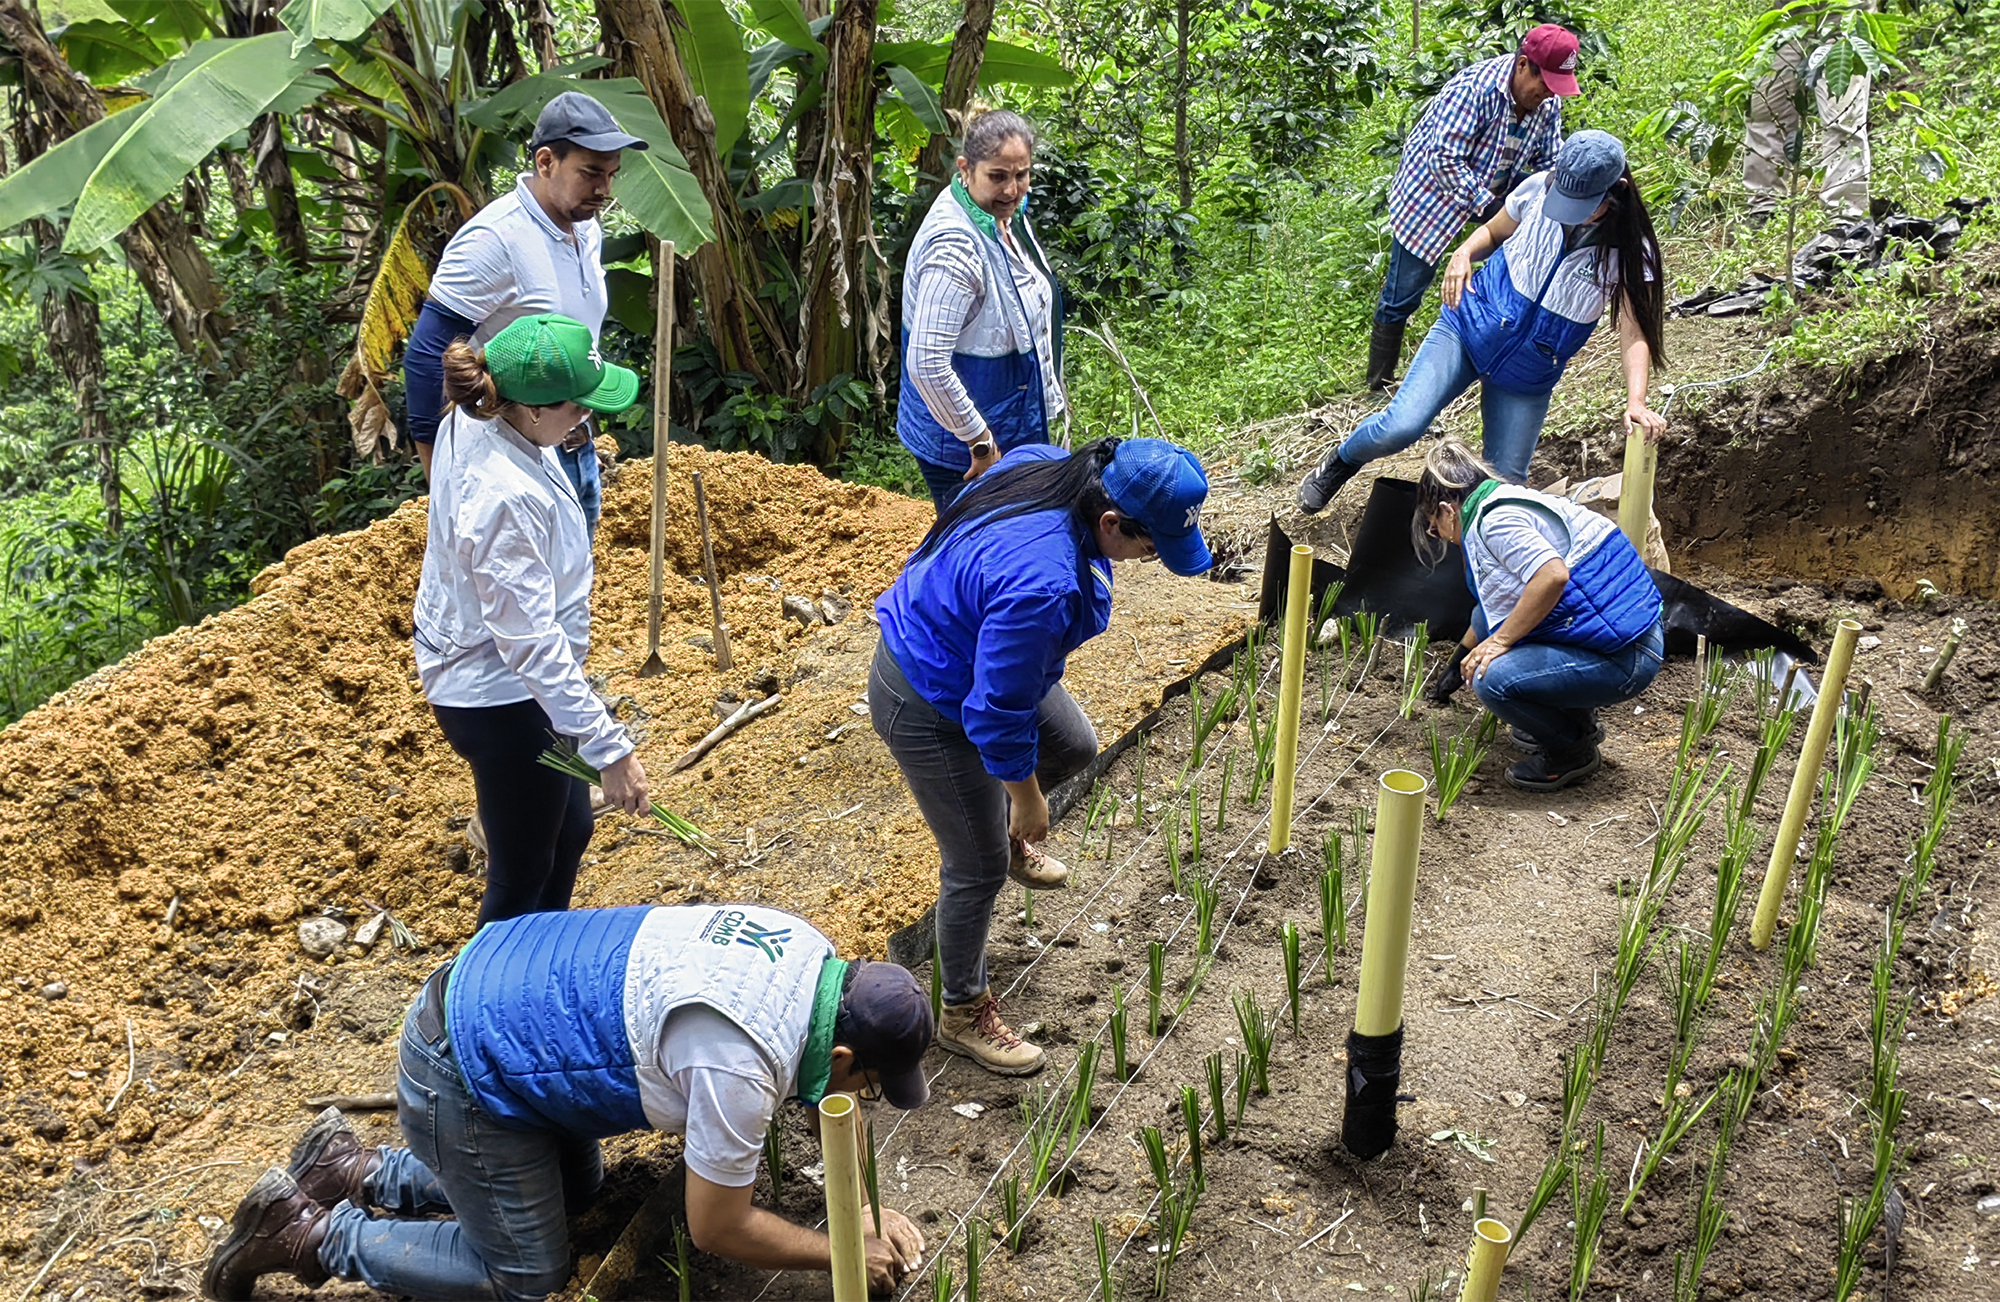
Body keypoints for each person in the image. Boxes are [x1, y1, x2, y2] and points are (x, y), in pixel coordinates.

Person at [201, 903, 934, 1301]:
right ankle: (306, 1234)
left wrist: (864, 1208)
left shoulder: (808, 954)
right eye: (868, 1084)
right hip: (463, 1063)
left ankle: (353, 1166)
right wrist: (839, 1251)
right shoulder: (738, 1063)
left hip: (511, 998)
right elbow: (717, 1226)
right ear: (843, 1056)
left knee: (578, 1191)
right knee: (524, 1272)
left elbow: (831, 1099)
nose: (861, 1100)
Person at [871, 438, 1211, 1074]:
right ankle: (962, 1011)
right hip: (927, 691)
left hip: (974, 654)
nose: (1146, 560)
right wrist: (1026, 798)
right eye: (1148, 547)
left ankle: (1005, 836)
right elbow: (995, 712)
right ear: (1110, 521)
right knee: (976, 866)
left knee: (1074, 745)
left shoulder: (1057, 468)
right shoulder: (1043, 585)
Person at [412, 313, 649, 925]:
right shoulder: (502, 498)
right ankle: (482, 1007)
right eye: (578, 409)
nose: (587, 422)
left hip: (512, 683)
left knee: (567, 832)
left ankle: (537, 968)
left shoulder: (484, 414)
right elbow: (531, 642)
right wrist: (610, 748)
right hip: (500, 699)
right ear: (534, 410)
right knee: (521, 876)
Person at [1298, 130, 1668, 515]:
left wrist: (1636, 401)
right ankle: (1340, 462)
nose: (1569, 210)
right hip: (1467, 327)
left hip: (1529, 373)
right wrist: (1463, 252)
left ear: (1618, 191)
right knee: (1401, 426)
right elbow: (1493, 231)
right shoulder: (1538, 189)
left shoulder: (1630, 252)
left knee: (1505, 488)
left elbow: (1634, 330)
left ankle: (1464, 555)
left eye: (1584, 205)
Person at [403, 91, 646, 530]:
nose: (604, 190)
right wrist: (440, 478)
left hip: (572, 442)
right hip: (507, 460)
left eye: (612, 175)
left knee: (571, 581)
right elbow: (426, 356)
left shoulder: (584, 227)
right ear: (546, 162)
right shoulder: (495, 239)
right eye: (591, 173)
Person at [1416, 438, 1664, 792]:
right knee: (1494, 643)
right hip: (1622, 635)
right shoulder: (1506, 501)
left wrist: (1498, 643)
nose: (1439, 535)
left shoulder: (1495, 522)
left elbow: (1552, 576)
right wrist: (1453, 668)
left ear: (1447, 509)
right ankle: (1578, 725)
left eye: (1433, 526)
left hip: (1627, 657)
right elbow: (1489, 614)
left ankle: (1571, 751)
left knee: (1491, 678)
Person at [1368, 23, 1577, 391]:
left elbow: (1550, 161)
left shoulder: (1547, 104)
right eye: (1543, 83)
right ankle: (1378, 382)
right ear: (1522, 65)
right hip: (1432, 195)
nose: (1547, 95)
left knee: (1497, 276)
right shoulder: (1473, 90)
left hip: (1495, 184)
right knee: (1403, 293)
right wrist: (1488, 206)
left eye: (1554, 88)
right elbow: (1444, 159)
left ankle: (1469, 358)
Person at [898, 108, 1066, 514]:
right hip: (968, 451)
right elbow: (926, 363)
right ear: (965, 169)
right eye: (998, 176)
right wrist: (980, 442)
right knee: (984, 554)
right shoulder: (954, 246)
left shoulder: (1001, 217)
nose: (1012, 189)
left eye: (1021, 174)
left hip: (1011, 424)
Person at [1743, 24, 1869, 221]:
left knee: (1843, 119)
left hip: (1843, 21)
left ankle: (1845, 217)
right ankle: (1765, 208)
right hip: (1790, 22)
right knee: (1766, 108)